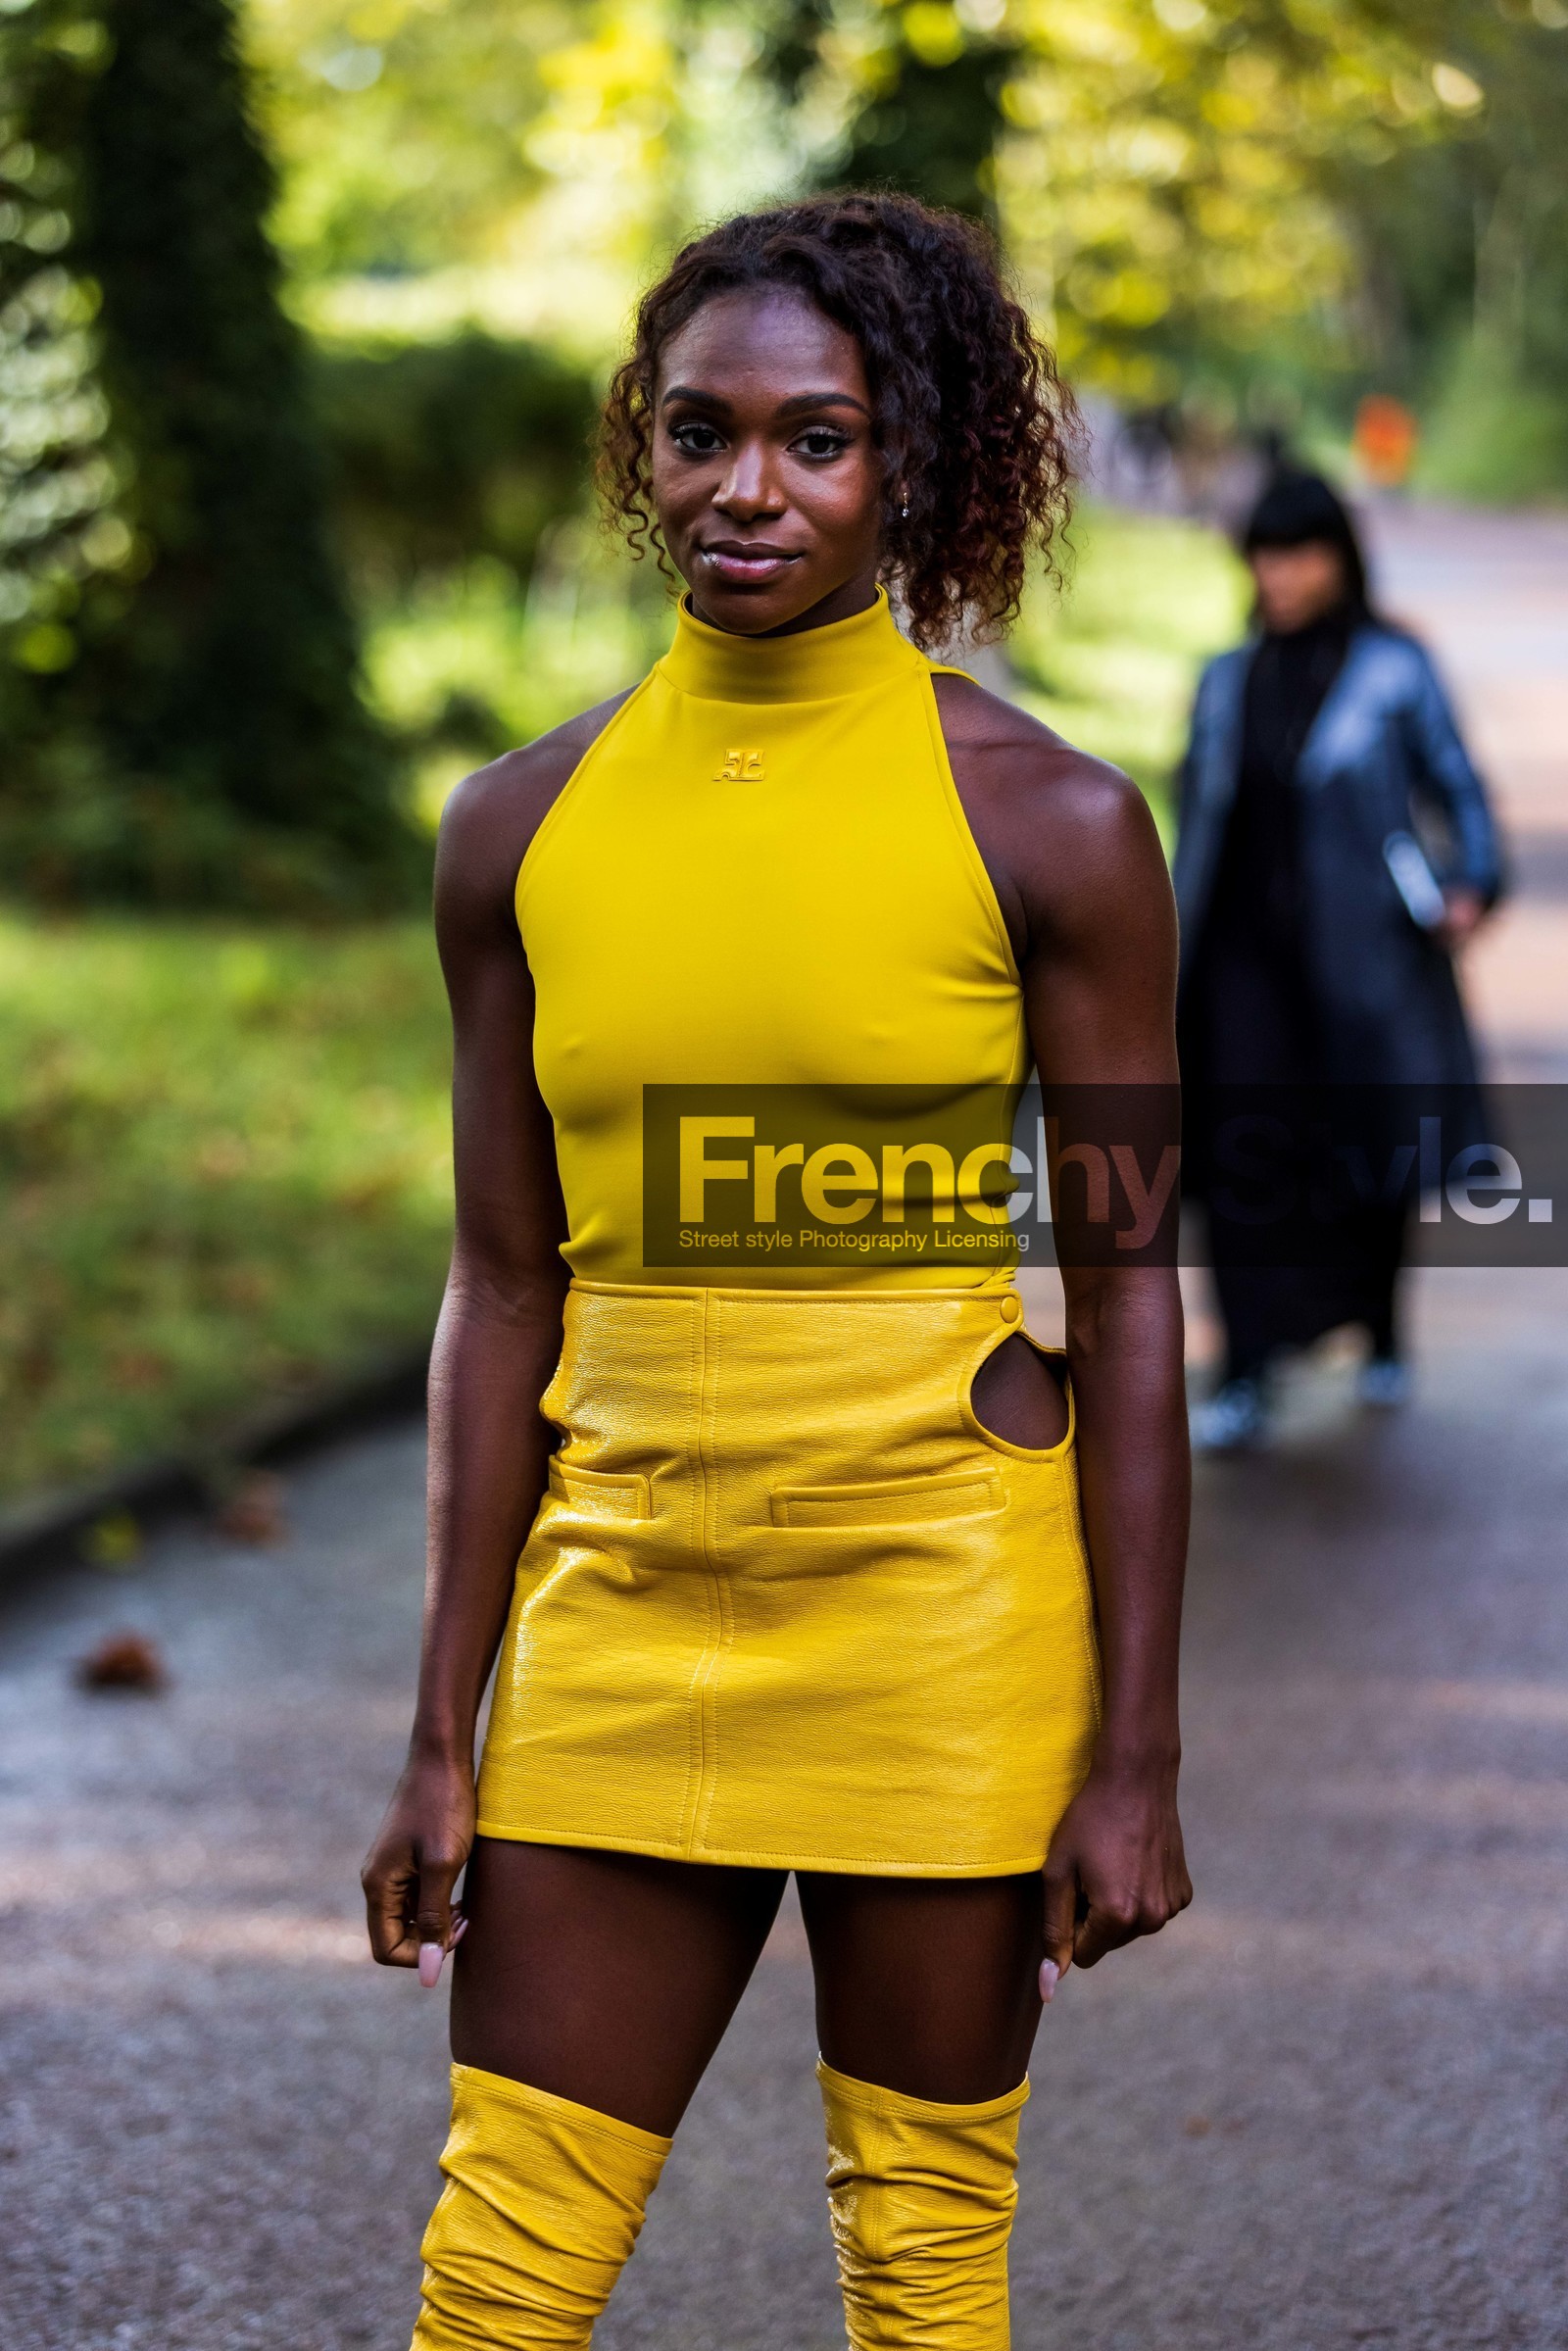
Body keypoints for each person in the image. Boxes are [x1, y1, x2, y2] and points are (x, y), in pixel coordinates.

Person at [362, 192, 1192, 2350]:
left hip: (939, 1606)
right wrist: (441, 1725)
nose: (748, 487)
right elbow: (501, 1283)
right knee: (495, 2281)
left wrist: (1135, 1753)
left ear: (911, 462)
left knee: (921, 2269)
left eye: (816, 438)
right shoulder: (516, 827)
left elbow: (1125, 1292)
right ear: (641, 445)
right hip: (620, 1605)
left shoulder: (1054, 825)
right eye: (698, 431)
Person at [1175, 469, 1503, 1450]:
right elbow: (1194, 818)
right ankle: (1244, 1364)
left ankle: (1380, 1328)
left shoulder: (1395, 669)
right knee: (1237, 1156)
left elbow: (1457, 783)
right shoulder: (1224, 678)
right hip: (1237, 964)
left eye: (1299, 554)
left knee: (1367, 1151)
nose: (1279, 576)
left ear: (1340, 559)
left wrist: (1471, 879)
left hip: (1364, 962)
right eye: (1264, 557)